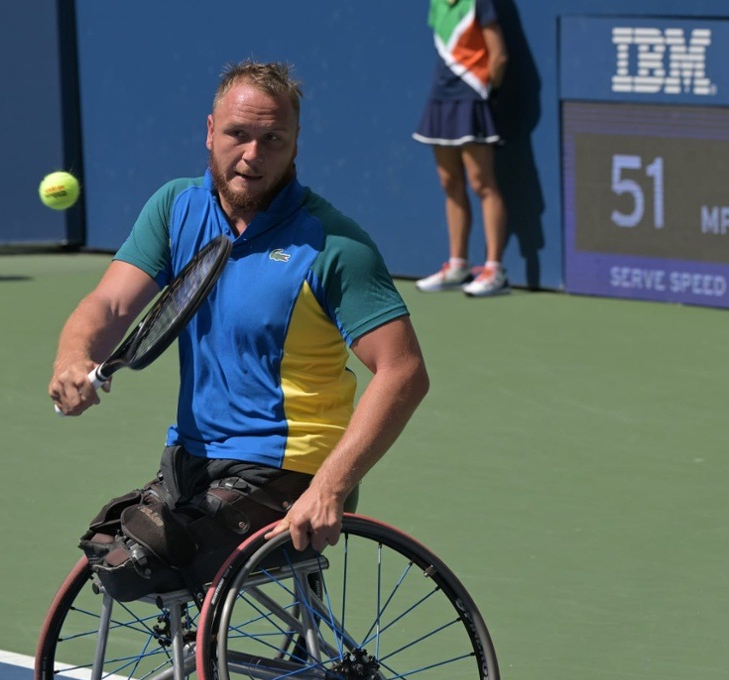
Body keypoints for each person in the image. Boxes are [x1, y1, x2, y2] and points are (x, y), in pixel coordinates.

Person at [48, 61, 429, 561]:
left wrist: (330, 487)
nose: (253, 155)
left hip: (291, 471)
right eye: (238, 134)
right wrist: (73, 357)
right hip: (191, 458)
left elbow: (403, 371)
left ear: (296, 143)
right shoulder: (176, 207)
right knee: (109, 553)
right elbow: (111, 302)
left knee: (153, 558)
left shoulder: (335, 245)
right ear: (210, 132)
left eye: (273, 139)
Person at [412, 0, 511, 297]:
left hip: (472, 98)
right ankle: (457, 265)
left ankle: (494, 269)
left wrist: (485, 93)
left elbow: (499, 56)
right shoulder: (437, 4)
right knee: (450, 182)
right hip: (440, 98)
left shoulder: (479, 3)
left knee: (482, 183)